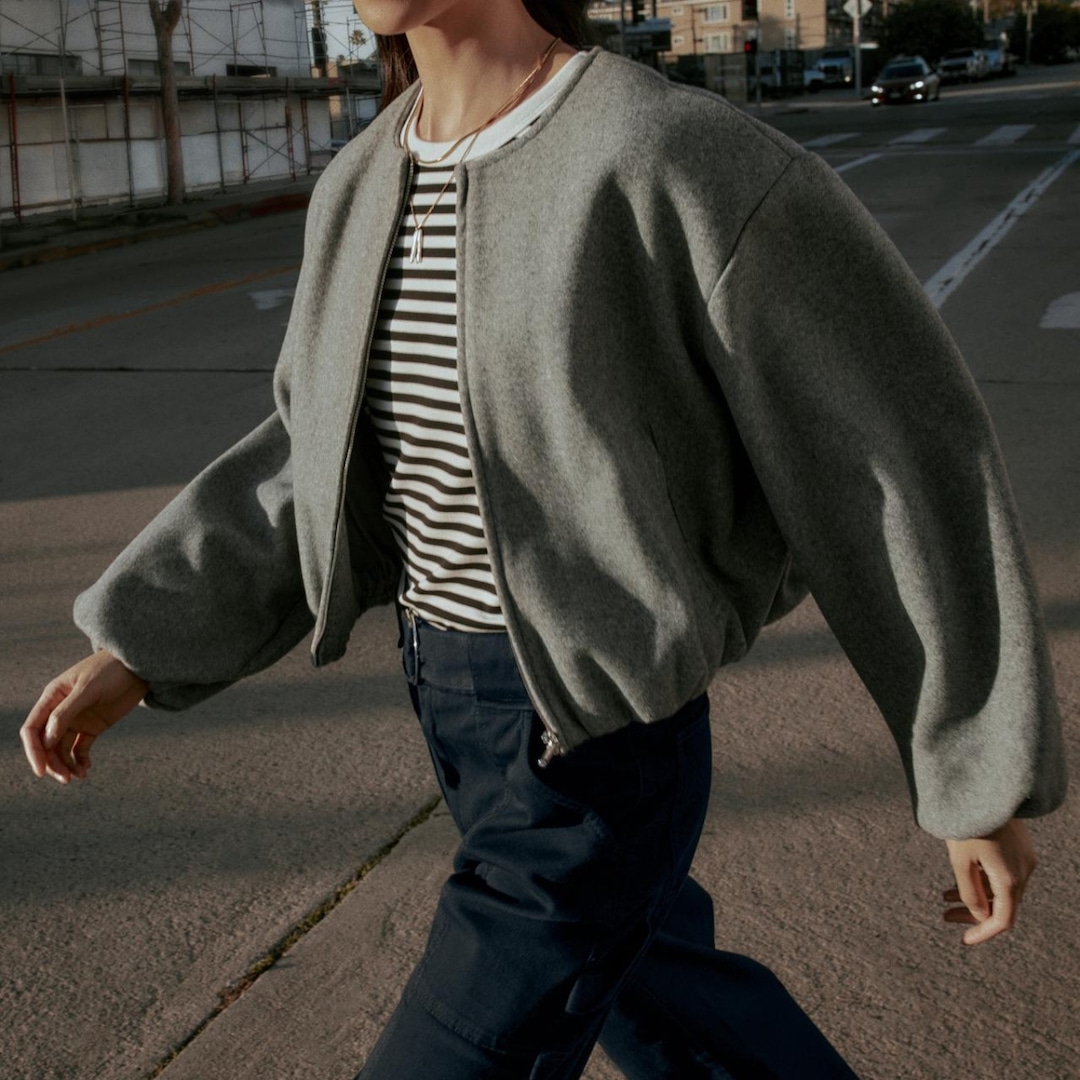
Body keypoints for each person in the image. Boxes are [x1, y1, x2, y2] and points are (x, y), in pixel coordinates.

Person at [20, 2, 1067, 1078]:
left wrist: (971, 763)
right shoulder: (364, 180)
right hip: (455, 706)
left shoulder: (661, 151)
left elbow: (886, 453)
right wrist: (141, 643)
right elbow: (311, 456)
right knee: (681, 1023)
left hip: (597, 746)